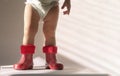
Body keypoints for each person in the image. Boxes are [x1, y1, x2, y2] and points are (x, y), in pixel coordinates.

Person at [13, 0, 71, 70]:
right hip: (33, 4)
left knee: (50, 33)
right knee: (29, 30)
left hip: (52, 5)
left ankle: (51, 59)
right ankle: (26, 58)